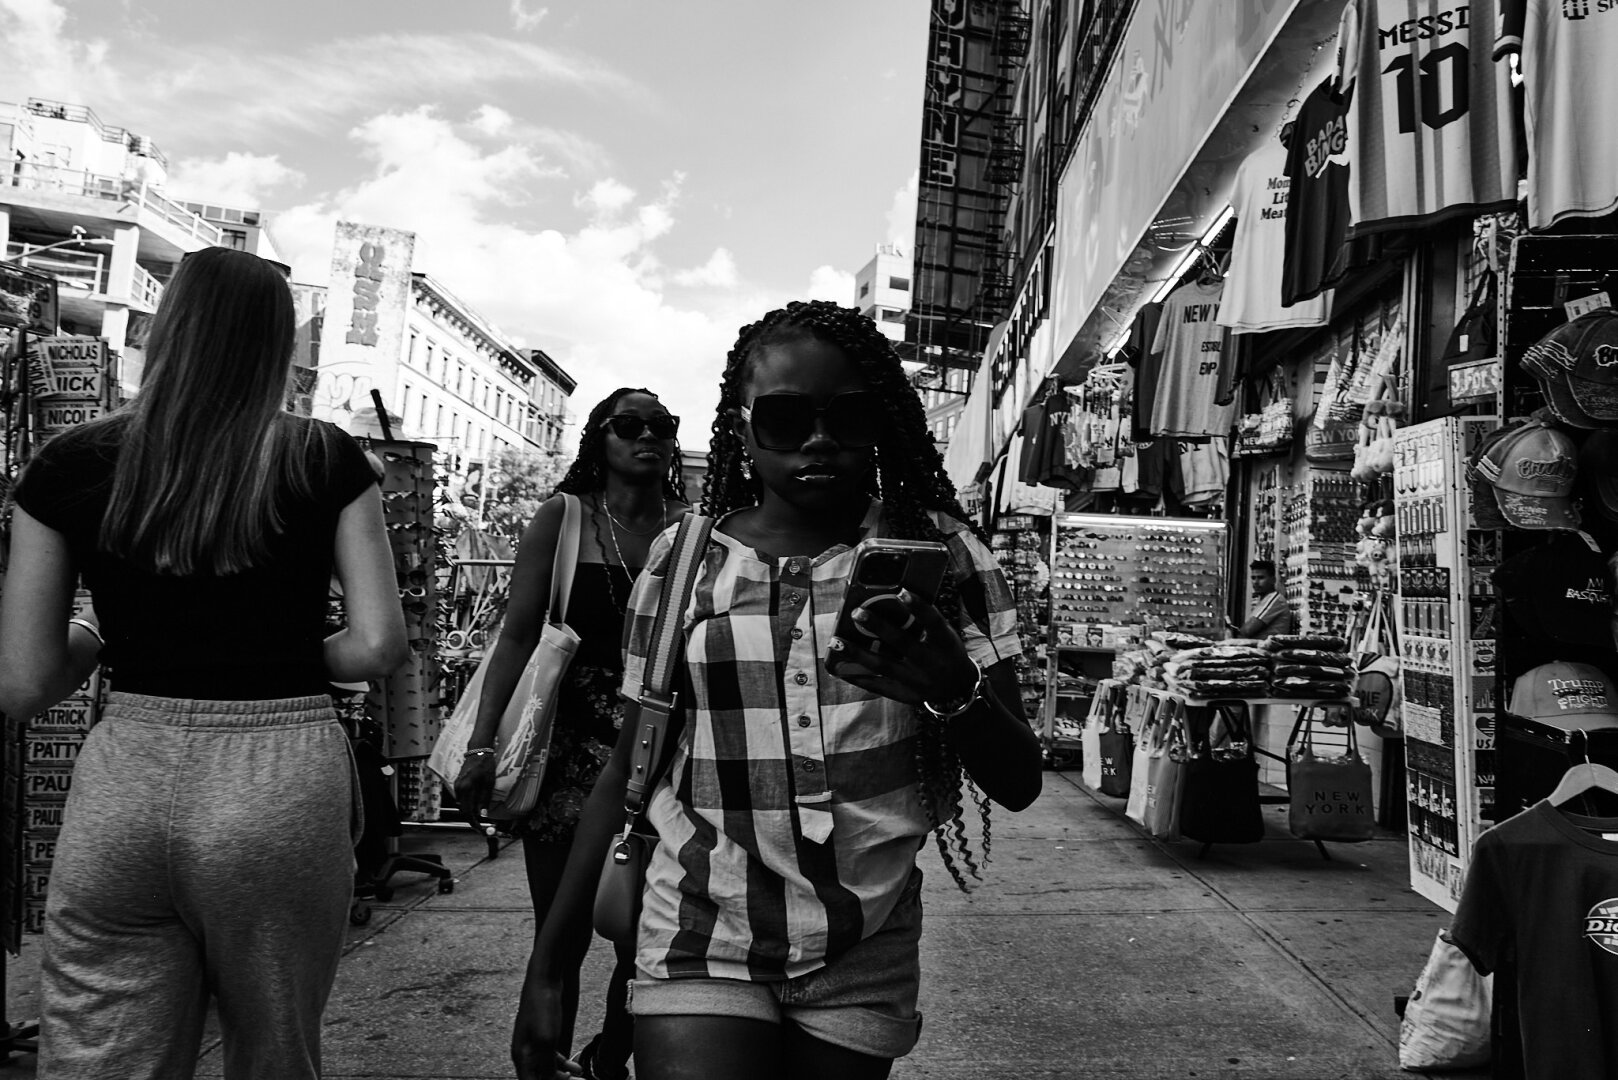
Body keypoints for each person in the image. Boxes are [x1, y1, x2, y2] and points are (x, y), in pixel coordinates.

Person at [510, 300, 1043, 1080]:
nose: (819, 440)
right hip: (700, 921)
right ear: (743, 428)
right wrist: (549, 969)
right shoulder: (685, 561)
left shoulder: (944, 554)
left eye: (848, 416)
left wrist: (951, 687)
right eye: (787, 419)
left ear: (880, 424)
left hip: (866, 939)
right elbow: (629, 765)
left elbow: (1020, 781)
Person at [0, 247, 407, 1079]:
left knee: (102, 1056)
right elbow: (376, 644)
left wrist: (103, 636)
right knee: (274, 1052)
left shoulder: (69, 465)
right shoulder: (322, 457)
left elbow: (23, 682)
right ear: (277, 345)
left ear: (167, 327)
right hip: (281, 775)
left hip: (129, 776)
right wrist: (276, 653)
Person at [454, 388, 689, 1080]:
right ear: (600, 438)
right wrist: (482, 744)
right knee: (562, 927)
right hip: (566, 748)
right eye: (629, 425)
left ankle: (608, 1058)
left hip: (660, 750)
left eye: (661, 426)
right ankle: (544, 1061)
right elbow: (517, 636)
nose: (647, 436)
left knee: (646, 934)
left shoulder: (694, 529)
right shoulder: (564, 518)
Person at [1228, 559, 1295, 639]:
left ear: (1273, 580)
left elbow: (1247, 630)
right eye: (1253, 578)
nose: (1256, 582)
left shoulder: (1275, 599)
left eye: (1261, 578)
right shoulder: (1262, 599)